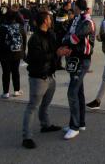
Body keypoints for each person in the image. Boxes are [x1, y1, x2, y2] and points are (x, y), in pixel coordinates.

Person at [22, 9, 62, 149]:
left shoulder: (50, 35)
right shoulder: (35, 39)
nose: (51, 21)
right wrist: (56, 53)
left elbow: (55, 48)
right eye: (49, 19)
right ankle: (26, 137)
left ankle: (45, 125)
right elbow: (38, 58)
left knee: (45, 104)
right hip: (38, 77)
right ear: (45, 21)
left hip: (50, 75)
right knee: (32, 106)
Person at [58, 0, 95, 140]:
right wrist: (65, 40)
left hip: (82, 59)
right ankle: (80, 123)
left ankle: (75, 126)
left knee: (72, 92)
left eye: (74, 6)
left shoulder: (87, 22)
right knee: (79, 91)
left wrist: (65, 43)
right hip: (75, 58)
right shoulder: (77, 20)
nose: (72, 8)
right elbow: (68, 33)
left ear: (78, 7)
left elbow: (75, 38)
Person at [0, 4, 27, 98]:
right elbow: (24, 40)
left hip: (5, 53)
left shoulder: (2, 28)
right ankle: (17, 90)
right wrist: (23, 52)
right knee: (16, 71)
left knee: (6, 72)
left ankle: (6, 92)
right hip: (17, 52)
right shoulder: (19, 27)